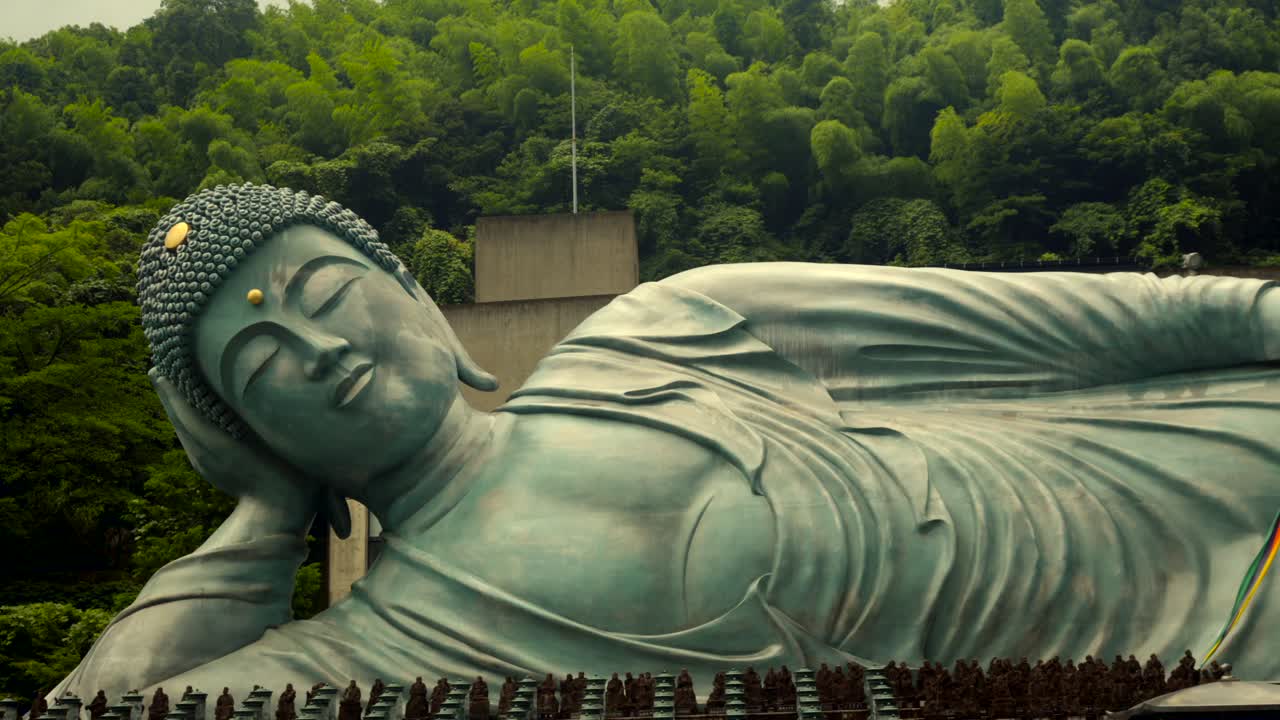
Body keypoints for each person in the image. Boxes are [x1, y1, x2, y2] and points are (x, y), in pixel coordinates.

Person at [47, 184, 1280, 707]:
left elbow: (1093, 323)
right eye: (260, 370)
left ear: (415, 295)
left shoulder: (674, 328)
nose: (316, 350)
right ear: (250, 437)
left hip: (1223, 476)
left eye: (325, 293)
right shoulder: (380, 653)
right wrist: (263, 518)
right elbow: (100, 716)